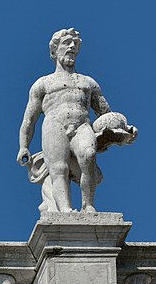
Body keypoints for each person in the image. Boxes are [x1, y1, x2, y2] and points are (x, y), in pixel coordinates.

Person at [17, 28, 123, 213]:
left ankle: (88, 205)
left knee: (88, 156)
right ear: (54, 50)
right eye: (67, 43)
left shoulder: (88, 83)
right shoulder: (43, 84)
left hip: (82, 124)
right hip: (54, 124)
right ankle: (65, 209)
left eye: (75, 45)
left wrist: (122, 130)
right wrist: (24, 146)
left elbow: (106, 114)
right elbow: (29, 120)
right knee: (59, 168)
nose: (72, 47)